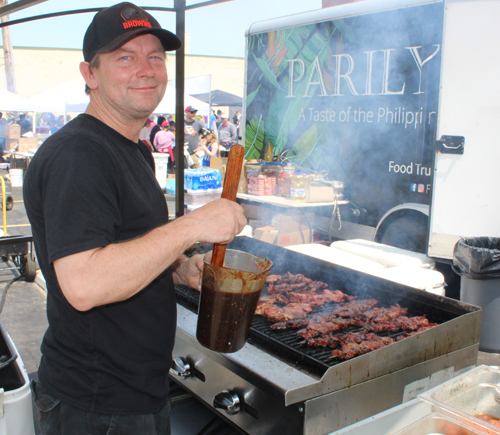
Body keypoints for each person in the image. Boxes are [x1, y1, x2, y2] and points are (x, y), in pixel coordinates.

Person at [23, 3, 246, 434]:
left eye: (156, 57)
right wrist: (194, 226)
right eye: (125, 57)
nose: (146, 70)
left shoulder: (135, 150)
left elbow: (125, 245)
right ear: (90, 74)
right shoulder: (79, 155)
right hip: (96, 405)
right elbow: (85, 285)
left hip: (136, 391)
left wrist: (180, 268)